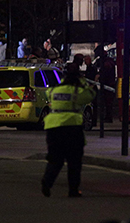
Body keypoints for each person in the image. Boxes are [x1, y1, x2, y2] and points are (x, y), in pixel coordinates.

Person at [41, 62, 96, 198]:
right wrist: (83, 82)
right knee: (74, 161)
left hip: (53, 127)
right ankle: (73, 190)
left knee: (55, 159)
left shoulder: (54, 90)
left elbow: (48, 95)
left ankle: (47, 182)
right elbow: (90, 95)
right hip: (71, 127)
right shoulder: (76, 90)